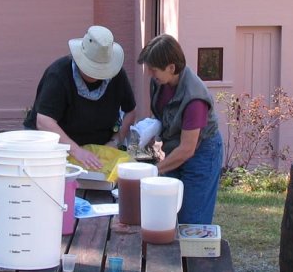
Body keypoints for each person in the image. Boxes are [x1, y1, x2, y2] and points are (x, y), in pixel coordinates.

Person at [137, 34, 224, 225]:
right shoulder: (160, 82)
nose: (150, 74)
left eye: (154, 69)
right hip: (176, 148)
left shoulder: (195, 99)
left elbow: (187, 149)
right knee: (167, 212)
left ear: (171, 67)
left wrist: (153, 171)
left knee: (191, 219)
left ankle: (192, 255)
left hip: (201, 152)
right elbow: (164, 113)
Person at [23, 25, 136, 170]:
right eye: (92, 68)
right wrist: (77, 151)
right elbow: (44, 121)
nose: (96, 74)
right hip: (55, 147)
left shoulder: (117, 76)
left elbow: (130, 111)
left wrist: (115, 141)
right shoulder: (58, 75)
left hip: (97, 149)